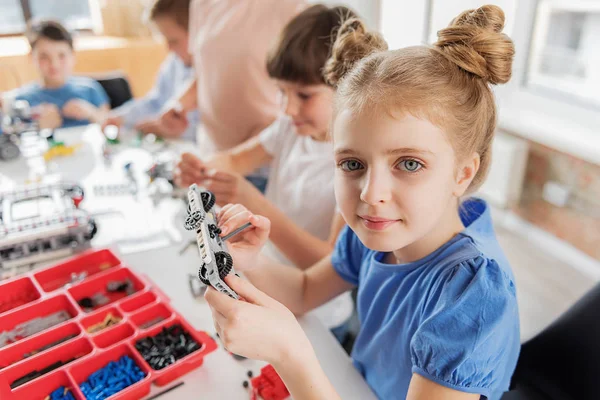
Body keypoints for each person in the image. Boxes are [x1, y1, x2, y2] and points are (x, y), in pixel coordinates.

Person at [204, 5, 520, 400]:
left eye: (409, 163)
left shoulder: (472, 295)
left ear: (463, 173)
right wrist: (250, 261)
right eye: (352, 163)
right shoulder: (373, 232)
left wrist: (290, 354)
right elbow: (303, 291)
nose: (371, 194)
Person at [176, 5, 356, 338]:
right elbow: (232, 160)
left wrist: (254, 202)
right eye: (281, 91)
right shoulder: (289, 127)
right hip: (268, 289)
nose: (287, 108)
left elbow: (330, 263)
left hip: (320, 317)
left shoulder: (356, 163)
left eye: (303, 94)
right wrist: (198, 168)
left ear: (350, 85)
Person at [161, 0, 305, 189]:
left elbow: (306, 82)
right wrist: (179, 105)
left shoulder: (290, 6)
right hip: (212, 161)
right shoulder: (201, 4)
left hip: (262, 165)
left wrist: (277, 125)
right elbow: (205, 73)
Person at [102, 0, 200, 141]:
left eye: (173, 41)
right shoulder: (174, 63)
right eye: (164, 40)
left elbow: (218, 132)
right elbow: (154, 102)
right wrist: (120, 116)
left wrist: (172, 131)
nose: (168, 48)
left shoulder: (218, 74)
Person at [15, 20, 109, 129]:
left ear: (72, 55)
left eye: (61, 55)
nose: (54, 64)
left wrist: (92, 113)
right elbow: (13, 138)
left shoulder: (90, 88)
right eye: (44, 57)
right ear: (31, 57)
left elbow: (110, 125)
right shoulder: (22, 101)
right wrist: (37, 127)